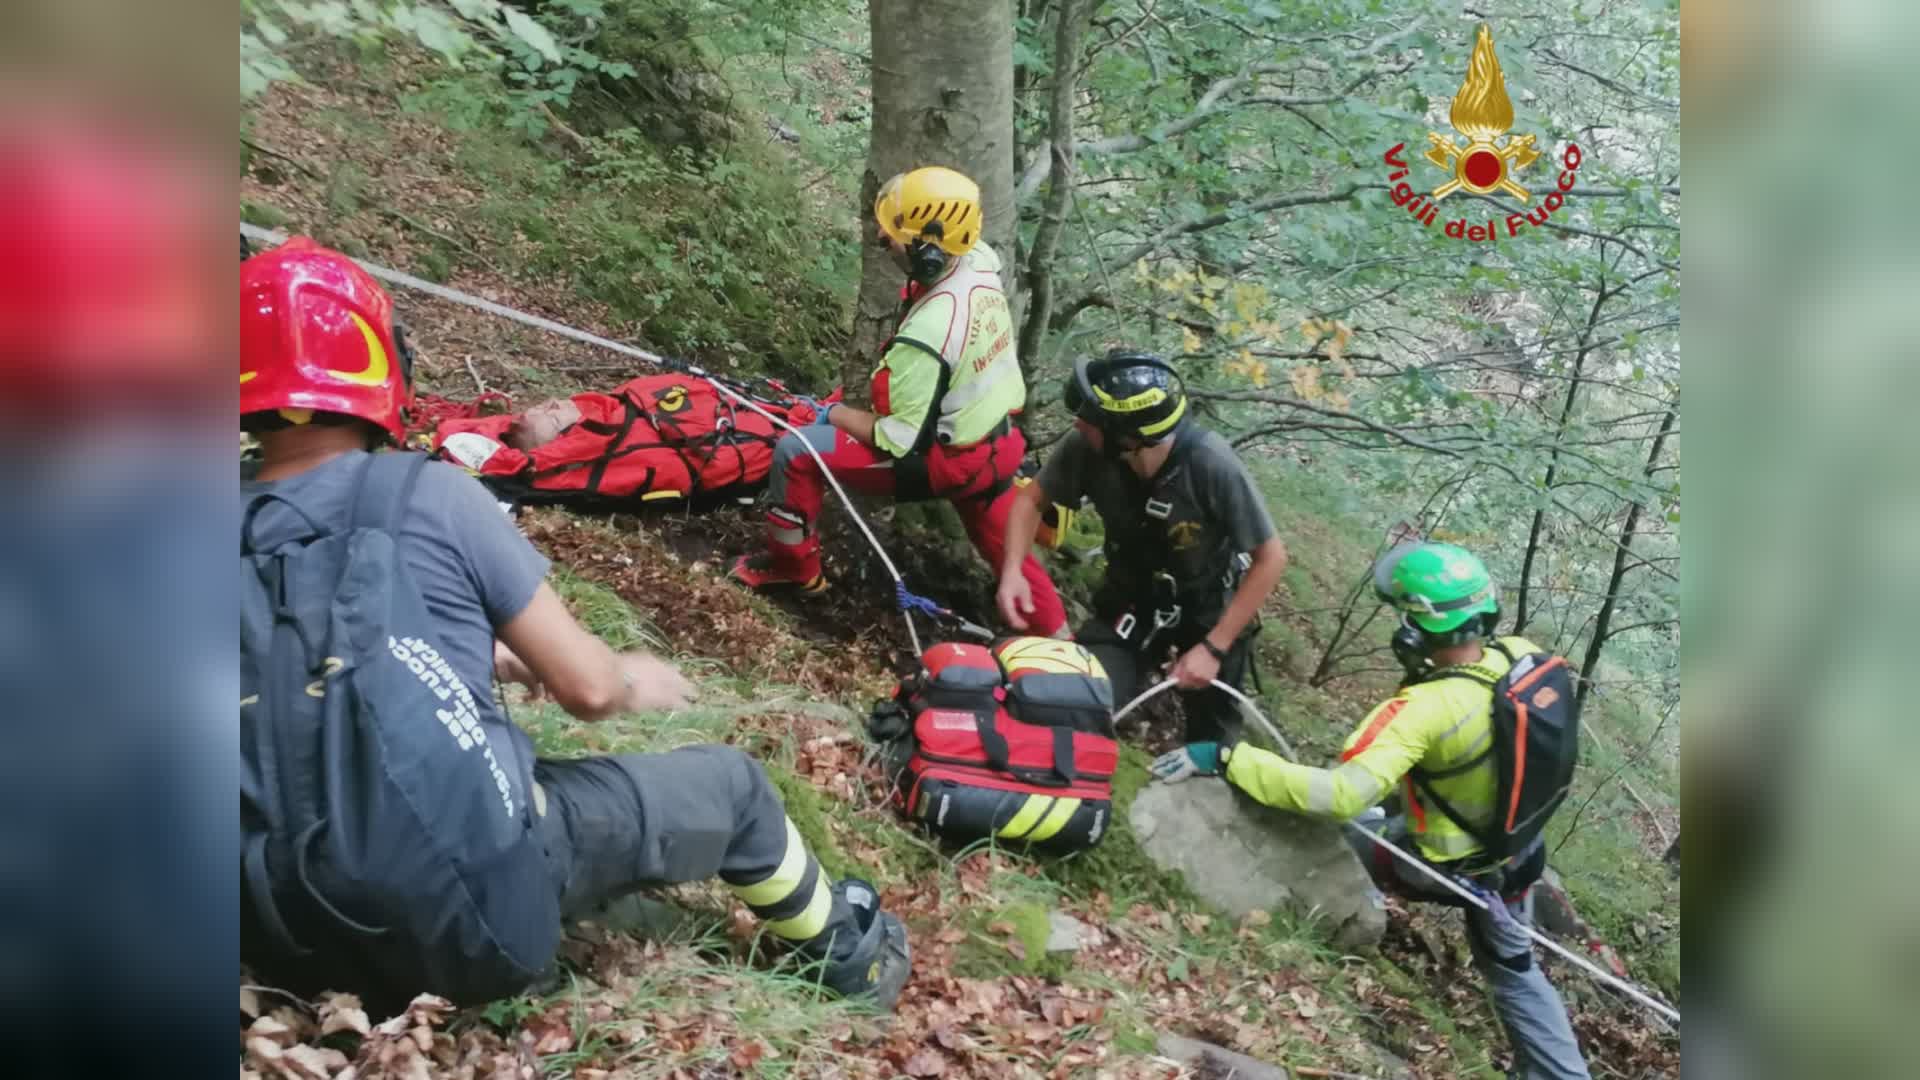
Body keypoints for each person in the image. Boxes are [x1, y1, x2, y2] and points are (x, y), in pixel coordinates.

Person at [239, 236, 911, 1012]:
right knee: (736, 788)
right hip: (463, 920)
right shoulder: (430, 495)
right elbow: (589, 689)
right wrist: (635, 676)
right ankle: (846, 956)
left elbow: (299, 647)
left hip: (274, 928)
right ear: (379, 364)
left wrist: (491, 656)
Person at [1149, 541, 1592, 1079]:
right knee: (1515, 970)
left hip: (1438, 863)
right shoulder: (1519, 658)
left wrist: (1227, 757)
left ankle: (1335, 917)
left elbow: (1339, 796)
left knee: (1346, 832)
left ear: (1417, 630)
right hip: (1518, 853)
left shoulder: (1423, 710)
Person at [727, 165, 1069, 638]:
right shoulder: (979, 262)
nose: (882, 241)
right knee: (1004, 547)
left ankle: (794, 568)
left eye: (892, 235)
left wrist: (833, 414)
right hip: (996, 445)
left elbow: (899, 441)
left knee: (795, 451)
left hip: (941, 458)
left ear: (928, 250)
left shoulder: (931, 332)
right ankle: (1061, 643)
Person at [996, 349, 1289, 743]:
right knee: (1082, 696)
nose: (1079, 422)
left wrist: (1214, 649)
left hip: (1208, 609)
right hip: (1130, 599)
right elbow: (1032, 500)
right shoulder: (1086, 447)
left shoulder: (1210, 465)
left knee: (1213, 742)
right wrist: (1013, 569)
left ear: (1127, 436)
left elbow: (1270, 558)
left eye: (1091, 417)